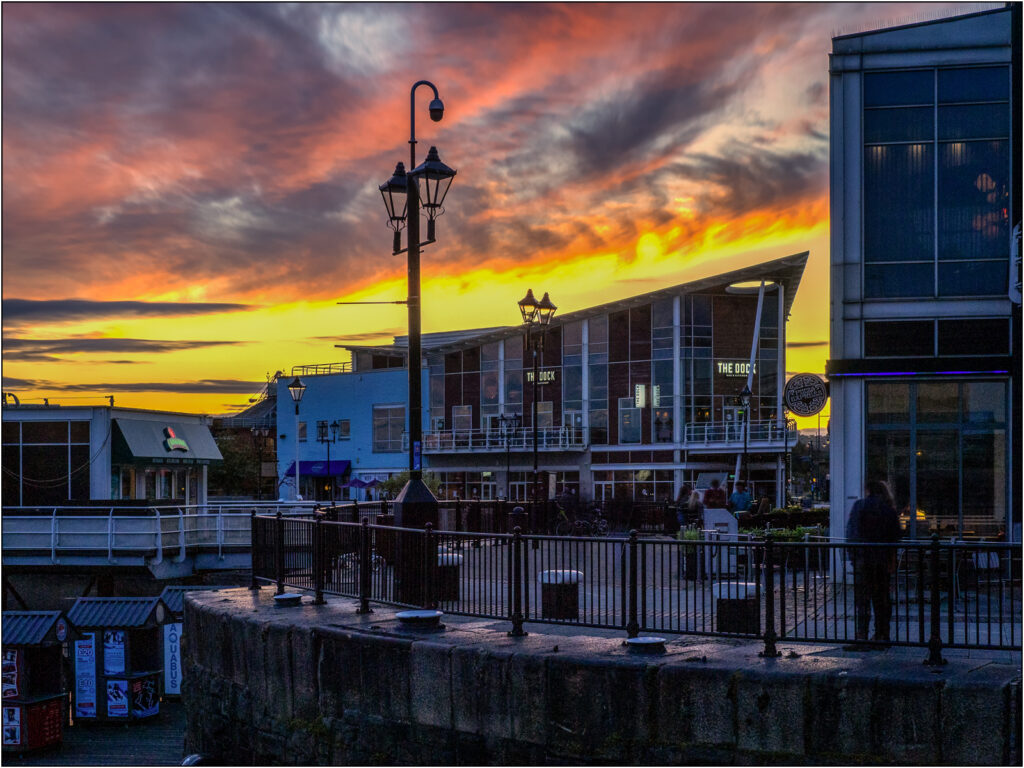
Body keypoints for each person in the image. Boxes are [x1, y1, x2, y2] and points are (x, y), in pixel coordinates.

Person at [846, 480, 901, 643]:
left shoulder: (860, 506)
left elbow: (852, 534)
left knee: (862, 600)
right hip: (882, 561)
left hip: (863, 560)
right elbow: (895, 537)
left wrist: (854, 557)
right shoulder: (888, 510)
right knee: (882, 599)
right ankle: (882, 634)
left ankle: (861, 634)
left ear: (868, 490)